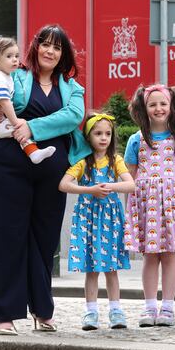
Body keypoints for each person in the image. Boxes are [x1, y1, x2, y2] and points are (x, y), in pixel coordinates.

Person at [0, 24, 89, 336]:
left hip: (51, 167)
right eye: (45, 45)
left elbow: (73, 116)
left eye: (57, 47)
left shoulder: (71, 86)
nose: (50, 51)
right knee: (7, 236)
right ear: (35, 48)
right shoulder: (15, 74)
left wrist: (31, 127)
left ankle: (42, 309)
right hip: (7, 163)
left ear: (63, 54)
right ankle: (5, 315)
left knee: (44, 238)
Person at [123, 84, 175, 328]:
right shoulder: (136, 140)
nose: (158, 108)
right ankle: (149, 305)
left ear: (171, 106)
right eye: (152, 104)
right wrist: (128, 213)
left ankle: (168, 306)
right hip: (146, 205)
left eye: (163, 104)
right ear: (144, 108)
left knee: (170, 255)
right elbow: (129, 178)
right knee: (150, 256)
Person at [59, 113, 136, 331]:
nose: (103, 138)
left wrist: (108, 186)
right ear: (88, 136)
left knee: (111, 268)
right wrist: (89, 190)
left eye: (108, 134)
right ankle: (90, 312)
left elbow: (131, 184)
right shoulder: (83, 162)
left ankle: (116, 310)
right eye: (98, 133)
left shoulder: (116, 161)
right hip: (89, 219)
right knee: (91, 269)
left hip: (110, 219)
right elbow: (64, 184)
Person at [0, 36, 56, 199]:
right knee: (18, 129)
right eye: (9, 56)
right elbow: (5, 102)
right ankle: (33, 153)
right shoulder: (0, 78)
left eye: (17, 56)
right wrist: (16, 121)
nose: (15, 60)